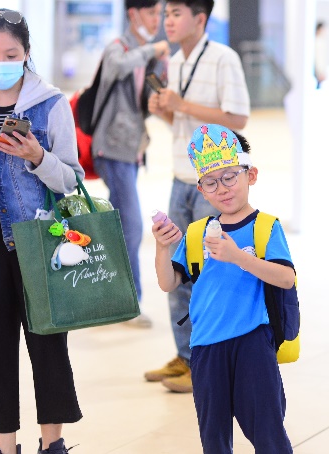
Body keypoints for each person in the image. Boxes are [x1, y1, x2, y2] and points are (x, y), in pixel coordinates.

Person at [0, 8, 84, 454]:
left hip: (41, 241)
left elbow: (73, 181)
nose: (0, 60)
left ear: (27, 54)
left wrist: (38, 156)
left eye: (10, 53)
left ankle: (52, 444)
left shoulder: (51, 103)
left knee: (48, 346)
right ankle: (3, 445)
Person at [152, 124, 294, 453]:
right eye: (211, 182)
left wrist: (237, 257)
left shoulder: (265, 227)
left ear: (251, 175)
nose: (223, 188)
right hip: (205, 348)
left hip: (252, 343)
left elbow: (286, 278)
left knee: (267, 432)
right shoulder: (196, 232)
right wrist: (161, 248)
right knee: (213, 437)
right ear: (201, 189)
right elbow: (167, 282)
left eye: (230, 176)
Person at [145, 0, 250, 393]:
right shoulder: (177, 62)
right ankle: (186, 357)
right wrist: (166, 111)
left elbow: (238, 120)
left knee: (212, 271)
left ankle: (211, 360)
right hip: (180, 175)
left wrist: (181, 104)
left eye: (176, 14)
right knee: (177, 265)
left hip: (214, 183)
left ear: (200, 19)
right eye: (165, 15)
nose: (167, 22)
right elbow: (185, 122)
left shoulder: (224, 58)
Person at [91, 0, 170, 329]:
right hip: (111, 149)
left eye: (159, 15)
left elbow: (148, 100)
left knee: (123, 225)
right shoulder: (120, 49)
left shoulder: (145, 54)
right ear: (133, 14)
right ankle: (128, 303)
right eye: (152, 13)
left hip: (130, 150)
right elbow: (119, 67)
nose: (156, 21)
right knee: (132, 226)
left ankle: (116, 298)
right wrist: (152, 50)